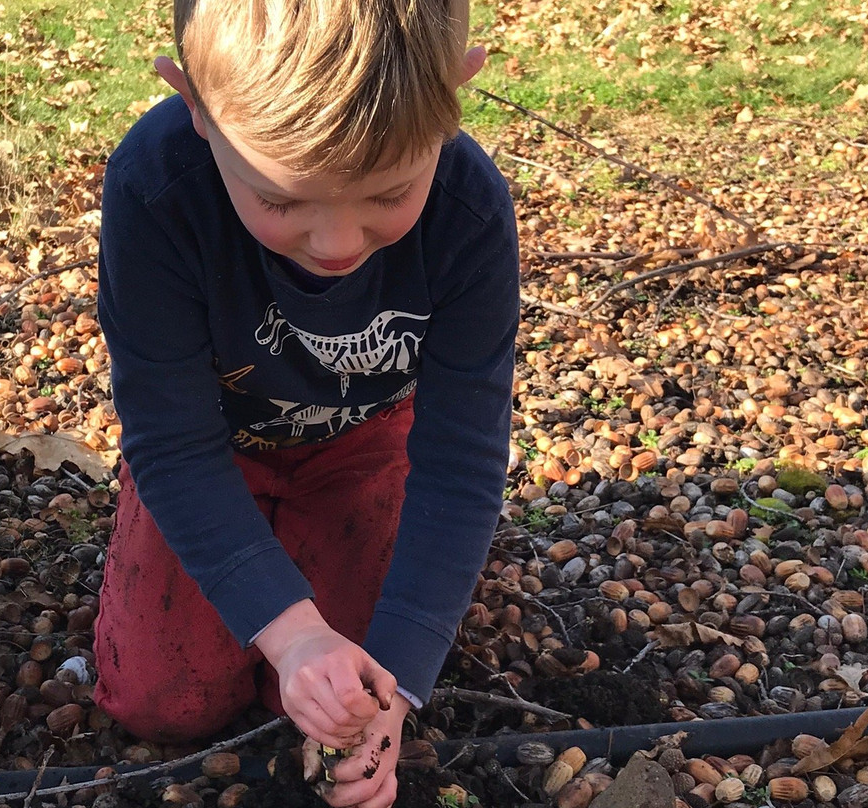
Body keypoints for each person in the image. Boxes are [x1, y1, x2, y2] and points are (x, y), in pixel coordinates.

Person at [92, 1, 519, 805]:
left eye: (388, 194)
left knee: (355, 686)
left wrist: (397, 685)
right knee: (163, 701)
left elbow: (461, 460)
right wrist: (292, 637)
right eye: (282, 201)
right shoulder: (156, 188)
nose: (338, 244)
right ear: (198, 110)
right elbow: (174, 443)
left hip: (365, 441)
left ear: (456, 98)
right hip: (215, 447)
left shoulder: (471, 211)